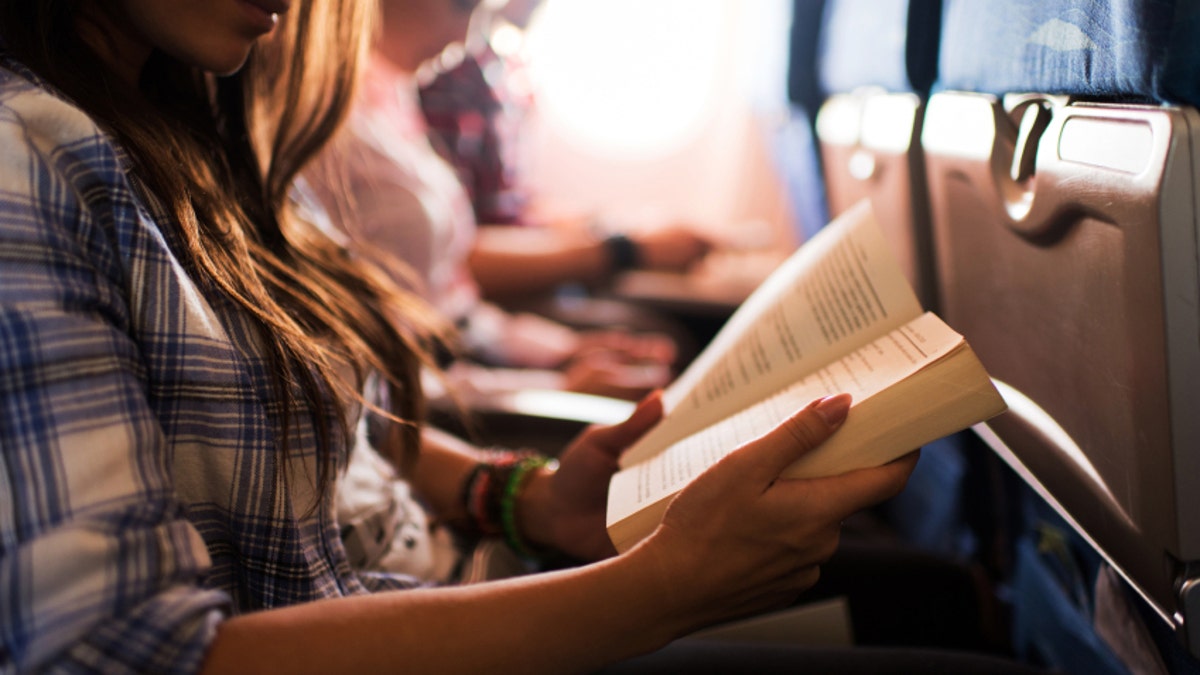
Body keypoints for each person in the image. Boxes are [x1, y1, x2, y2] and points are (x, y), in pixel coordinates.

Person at [0, 0, 931, 672]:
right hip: (391, 616)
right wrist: (655, 591)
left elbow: (335, 429)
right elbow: (115, 652)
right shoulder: (26, 161)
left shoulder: (197, 133)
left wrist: (525, 498)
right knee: (932, 613)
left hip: (425, 578)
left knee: (921, 589)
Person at [303, 0, 690, 404]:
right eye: (461, 6)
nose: (469, 37)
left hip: (468, 355)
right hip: (437, 394)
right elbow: (391, 375)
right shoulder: (328, 124)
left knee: (661, 351)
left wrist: (560, 351)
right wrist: (555, 388)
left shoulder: (391, 94)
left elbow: (455, 307)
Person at [418, 0, 717, 303]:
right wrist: (625, 249)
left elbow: (510, 211)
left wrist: (608, 224)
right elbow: (453, 256)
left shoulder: (504, 66)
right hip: (494, 298)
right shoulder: (442, 69)